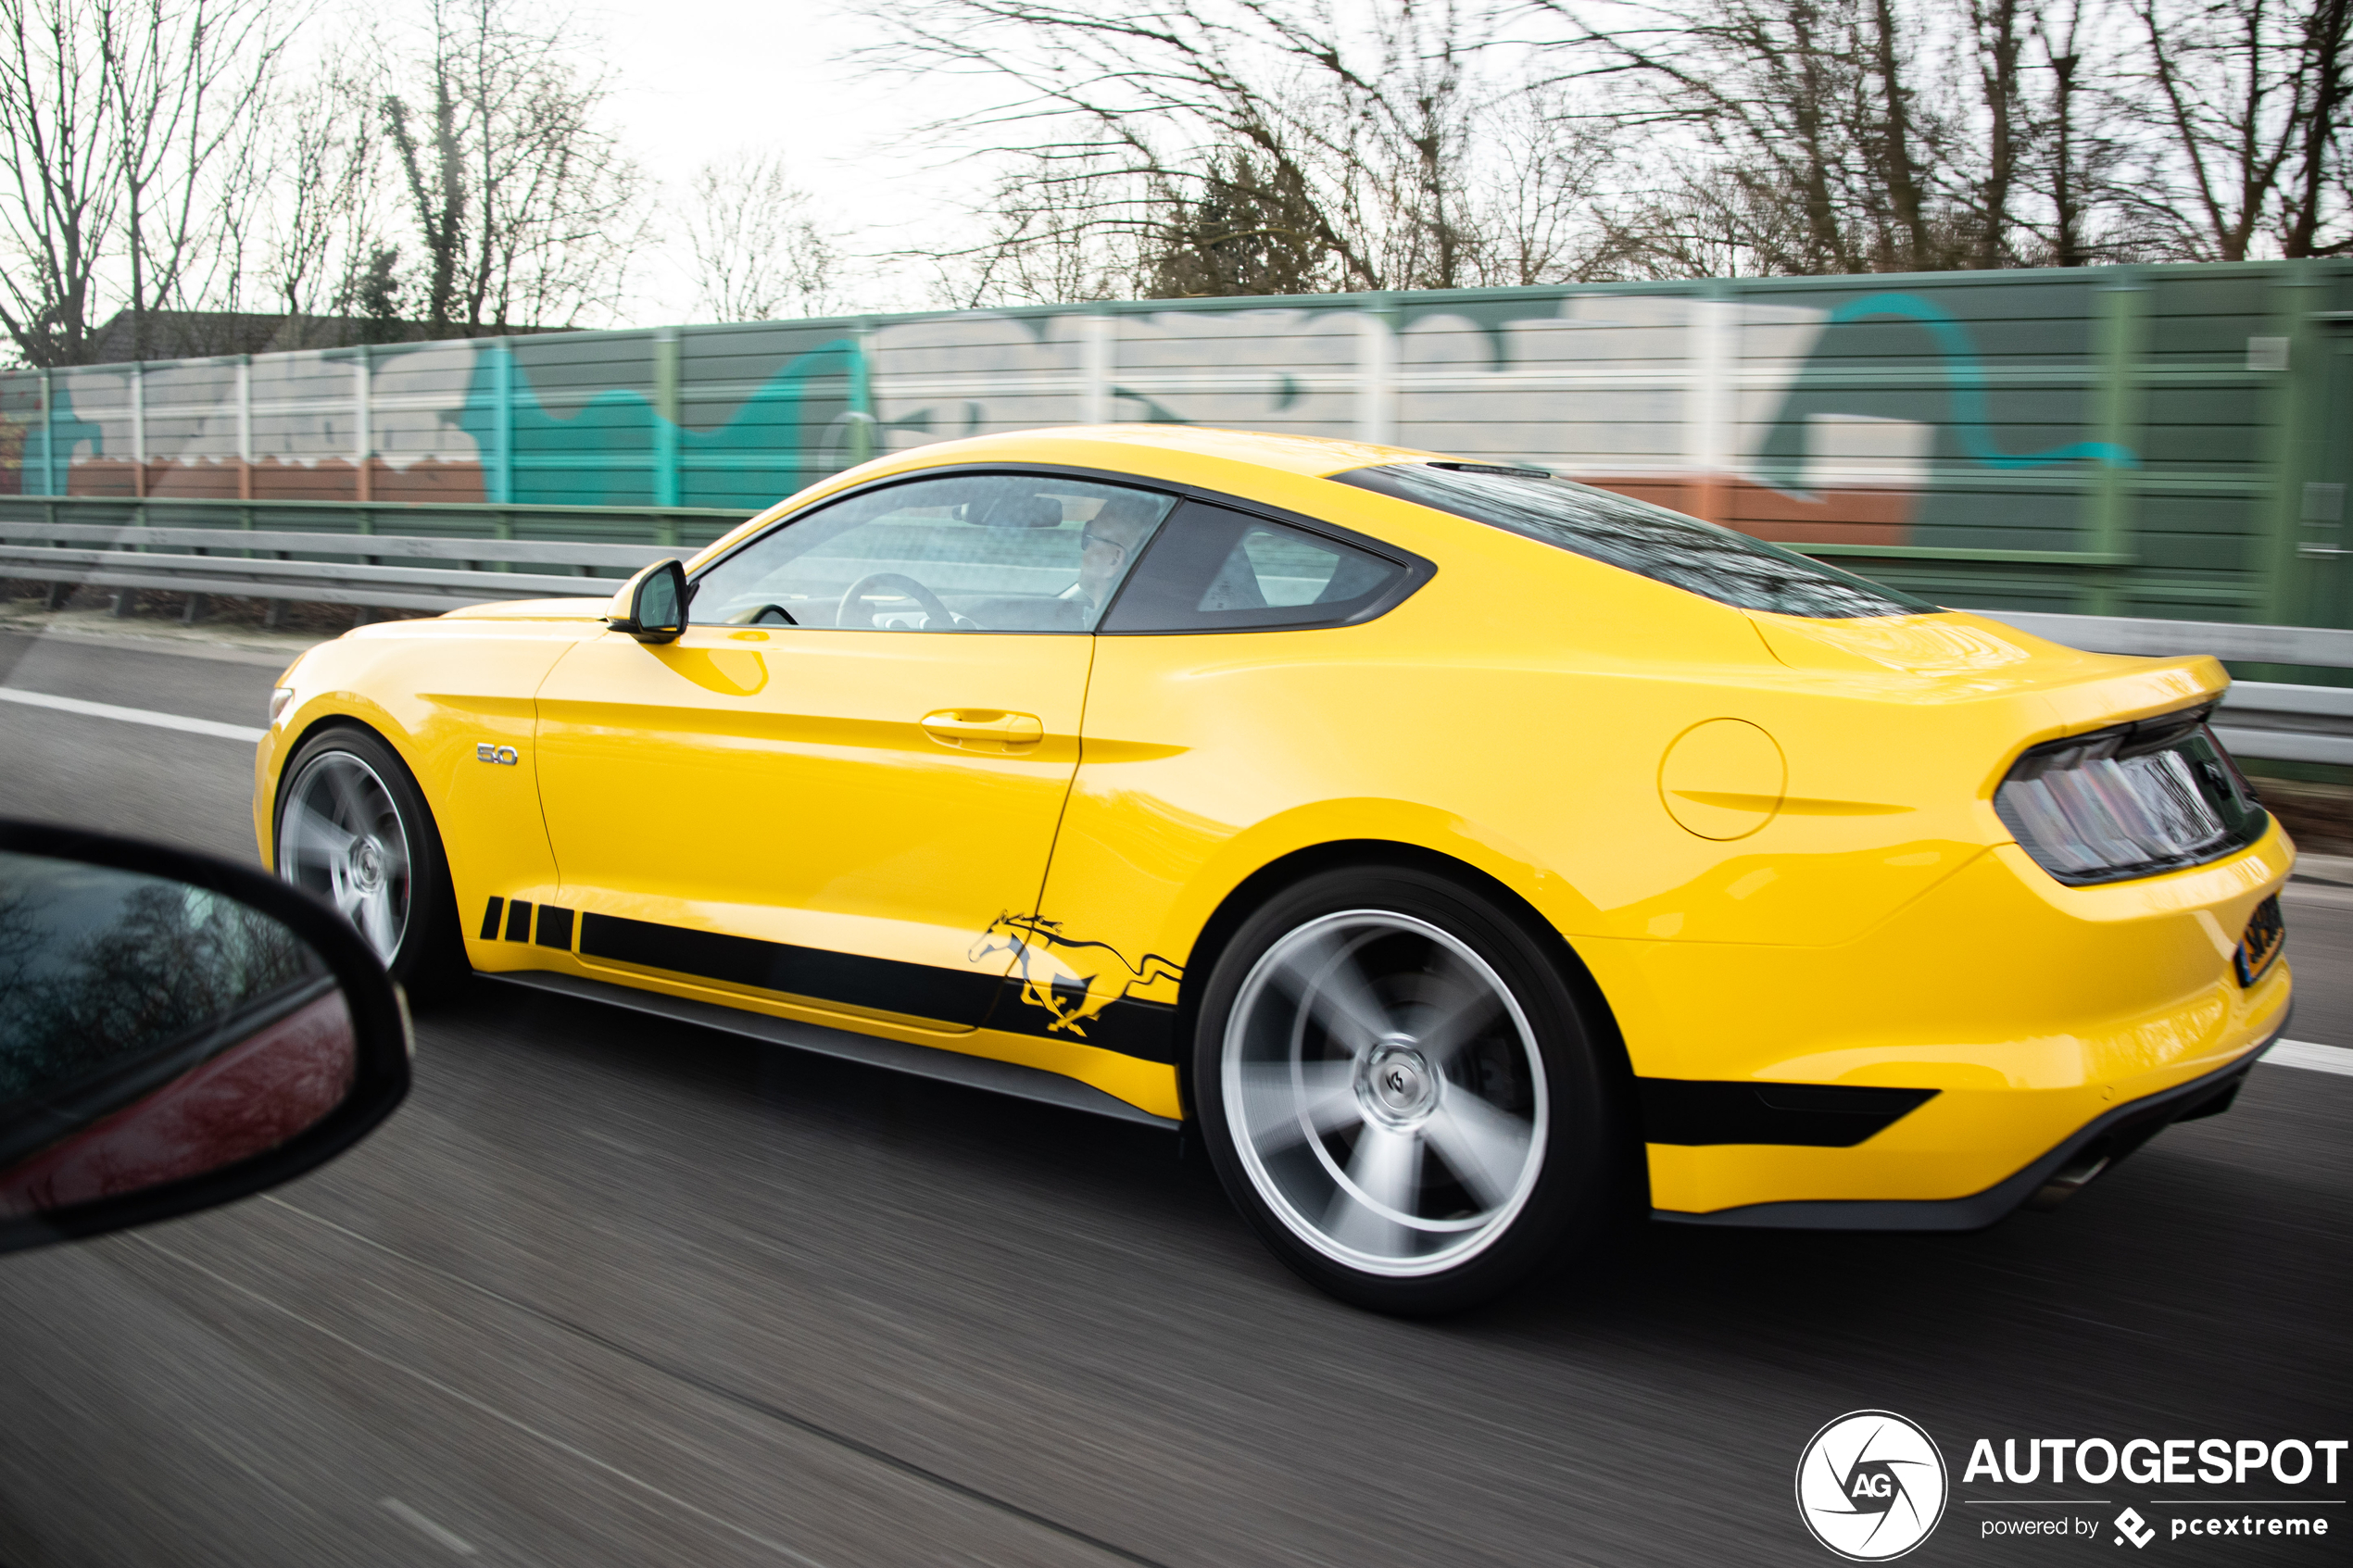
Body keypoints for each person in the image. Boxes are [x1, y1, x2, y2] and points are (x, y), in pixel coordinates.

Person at [1074, 493, 1164, 621]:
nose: (1085, 552)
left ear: (1114, 560)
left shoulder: (1111, 630)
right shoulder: (1141, 621)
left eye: (1089, 540)